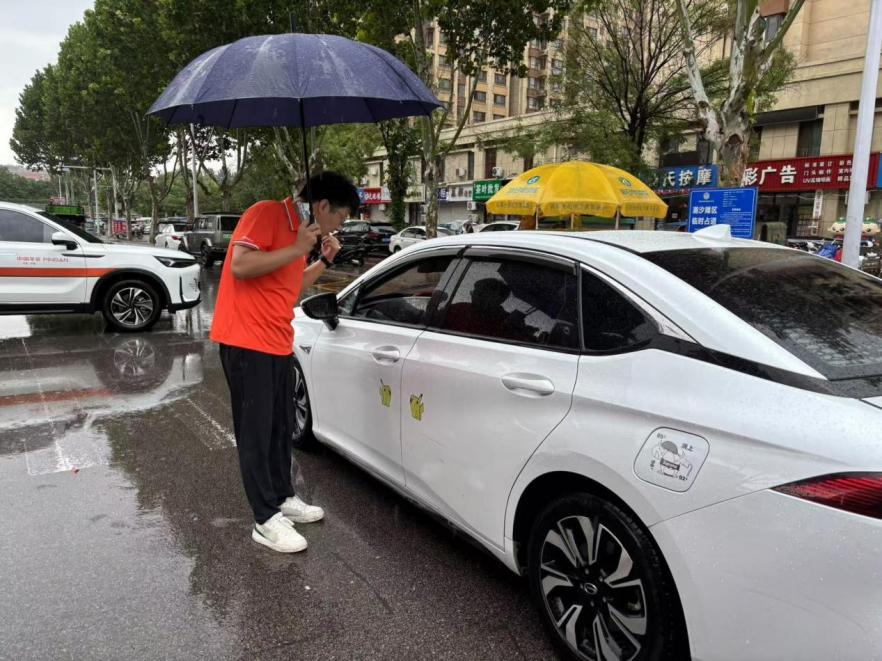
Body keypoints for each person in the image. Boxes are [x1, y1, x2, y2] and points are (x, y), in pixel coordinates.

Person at [210, 171, 359, 553]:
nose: (339, 225)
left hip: (277, 341)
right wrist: (296, 248)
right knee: (256, 433)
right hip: (246, 341)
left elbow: (290, 285)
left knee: (280, 428)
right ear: (323, 206)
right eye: (340, 217)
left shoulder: (302, 232)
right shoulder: (267, 214)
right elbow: (240, 265)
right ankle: (264, 519)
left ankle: (282, 496)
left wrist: (322, 259)